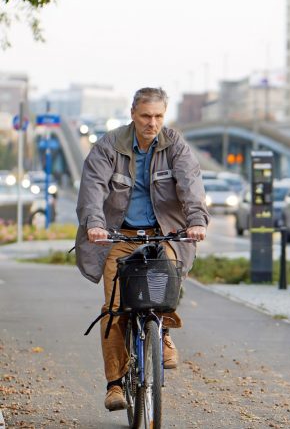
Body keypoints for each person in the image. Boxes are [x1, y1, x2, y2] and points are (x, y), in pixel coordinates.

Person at [75, 87, 209, 411]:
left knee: (168, 281)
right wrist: (95, 224)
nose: (152, 123)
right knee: (114, 309)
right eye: (146, 116)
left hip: (163, 234)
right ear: (133, 113)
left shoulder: (175, 144)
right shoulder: (109, 145)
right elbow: (92, 191)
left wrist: (197, 221)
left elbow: (191, 186)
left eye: (159, 116)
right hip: (119, 236)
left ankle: (160, 333)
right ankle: (115, 384)